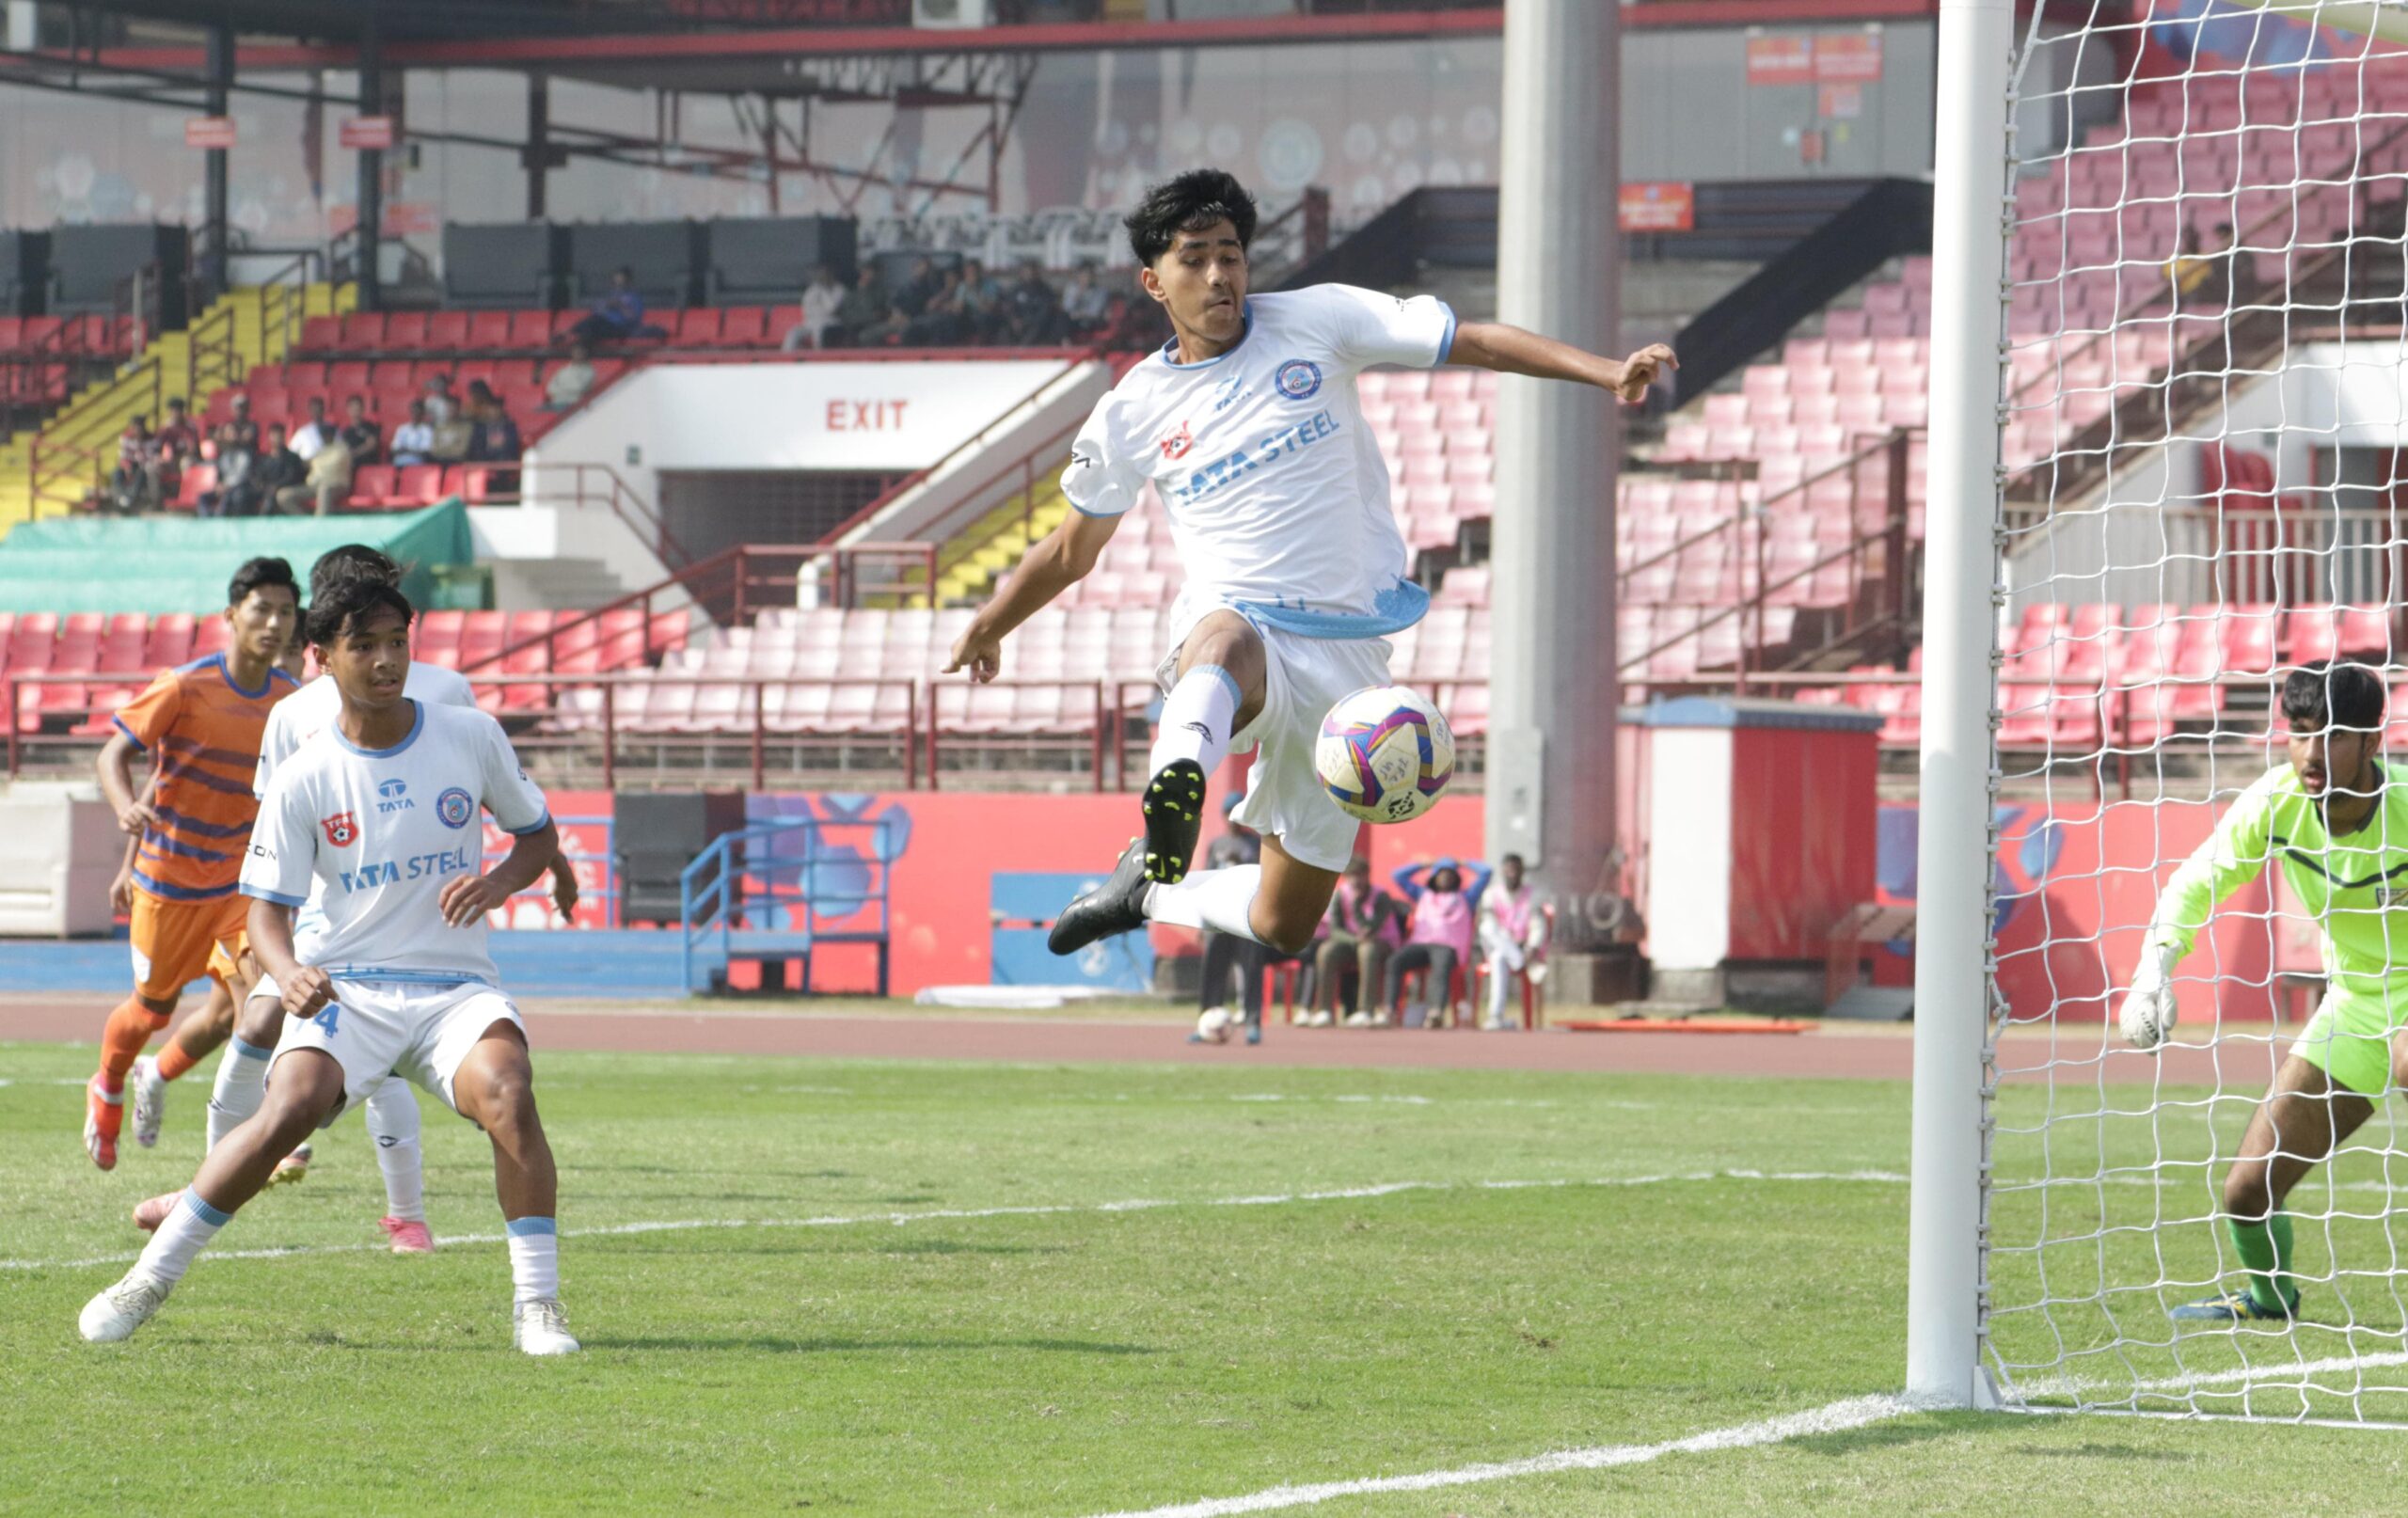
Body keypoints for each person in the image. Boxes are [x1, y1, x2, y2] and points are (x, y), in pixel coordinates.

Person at [947, 168, 1671, 972]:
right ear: (1154, 281)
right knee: (1223, 641)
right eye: (1195, 259)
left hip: (1347, 663)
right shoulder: (1132, 409)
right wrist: (992, 622)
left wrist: (1605, 371)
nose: (1219, 275)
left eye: (1231, 255)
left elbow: (1471, 340)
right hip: (1241, 620)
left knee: (1284, 922)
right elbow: (1071, 551)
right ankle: (1175, 787)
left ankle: (1143, 890)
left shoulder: (1319, 321)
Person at [79, 574, 578, 1355]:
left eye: (397, 642)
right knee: (286, 1111)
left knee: (510, 1093)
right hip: (350, 989)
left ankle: (538, 1307)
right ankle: (144, 1282)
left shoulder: (471, 735)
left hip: (454, 992)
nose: (386, 661)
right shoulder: (303, 774)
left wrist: (499, 883)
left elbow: (537, 834)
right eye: (364, 645)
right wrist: (287, 972)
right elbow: (266, 911)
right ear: (321, 657)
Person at [2119, 662, 2408, 1323]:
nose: (2312, 752)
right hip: (2355, 1002)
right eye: (2300, 732)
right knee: (2247, 1191)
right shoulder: (2275, 803)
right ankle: (2270, 1299)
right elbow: (2195, 883)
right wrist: (2154, 970)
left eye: (2333, 735)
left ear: (2372, 742)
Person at [81, 558, 301, 1171]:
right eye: (262, 609)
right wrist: (126, 813)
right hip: (171, 883)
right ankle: (110, 1083)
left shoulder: (290, 703)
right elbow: (115, 757)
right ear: (232, 615)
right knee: (151, 1012)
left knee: (264, 996)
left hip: (241, 883)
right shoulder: (183, 686)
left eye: (286, 612)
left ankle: (262, 1133)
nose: (274, 623)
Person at [123, 632, 311, 1150]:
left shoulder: (299, 712)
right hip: (203, 884)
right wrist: (127, 866)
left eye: (291, 654)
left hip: (247, 883)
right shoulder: (233, 705)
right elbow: (159, 794)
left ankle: (156, 1073)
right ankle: (270, 1130)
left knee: (225, 1016)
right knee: (258, 1000)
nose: (281, 662)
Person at [1193, 799, 1266, 1046]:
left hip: (1246, 916)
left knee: (1251, 969)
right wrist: (1202, 921)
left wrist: (1241, 863)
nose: (1232, 819)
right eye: (1228, 814)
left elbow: (1264, 877)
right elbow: (1206, 880)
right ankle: (1206, 1021)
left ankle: (1253, 1022)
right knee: (1213, 969)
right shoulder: (1217, 844)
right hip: (1219, 915)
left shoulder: (1256, 843)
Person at [1385, 859, 1492, 1027]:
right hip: (1421, 945)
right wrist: (1424, 865)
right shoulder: (1422, 894)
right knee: (1394, 961)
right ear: (1434, 877)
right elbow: (1398, 876)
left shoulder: (1467, 897)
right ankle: (1390, 1011)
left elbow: (1486, 873)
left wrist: (1463, 863)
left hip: (1448, 947)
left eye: (1449, 874)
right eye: (1441, 874)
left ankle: (1436, 1013)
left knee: (1441, 966)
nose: (1445, 878)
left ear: (1456, 878)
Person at [1314, 856, 1400, 1028]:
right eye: (1351, 876)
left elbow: (1371, 928)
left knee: (1367, 950)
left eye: (1360, 875)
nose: (1356, 880)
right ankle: (1324, 1010)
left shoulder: (1381, 896)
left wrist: (1356, 905)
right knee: (1326, 951)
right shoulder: (1340, 894)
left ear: (1367, 875)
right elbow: (1335, 930)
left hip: (1381, 943)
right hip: (1353, 942)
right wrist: (1354, 939)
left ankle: (1366, 1010)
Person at [1477, 852, 1548, 1031]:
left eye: (1516, 870)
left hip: (1523, 947)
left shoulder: (1532, 895)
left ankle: (1496, 1016)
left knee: (1498, 958)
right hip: (1500, 944)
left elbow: (1538, 925)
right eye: (1508, 870)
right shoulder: (1491, 894)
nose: (1512, 874)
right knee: (1486, 928)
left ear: (1522, 872)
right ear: (1503, 871)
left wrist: (1532, 947)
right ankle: (1518, 960)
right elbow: (1489, 926)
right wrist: (1509, 944)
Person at [569, 265, 660, 345]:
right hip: (602, 323)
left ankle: (574, 340)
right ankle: (570, 337)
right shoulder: (610, 295)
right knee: (591, 322)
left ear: (628, 280)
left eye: (621, 279)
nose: (618, 282)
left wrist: (620, 306)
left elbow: (634, 319)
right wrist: (606, 306)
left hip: (620, 328)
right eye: (616, 278)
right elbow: (596, 311)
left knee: (593, 326)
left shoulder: (634, 297)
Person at [279, 427, 352, 516]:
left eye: (327, 435)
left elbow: (331, 465)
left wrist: (315, 462)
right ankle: (305, 521)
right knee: (284, 495)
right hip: (314, 486)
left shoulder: (342, 449)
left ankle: (320, 522)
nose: (324, 437)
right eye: (322, 435)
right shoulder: (320, 450)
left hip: (336, 485)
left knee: (324, 490)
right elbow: (309, 464)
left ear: (332, 435)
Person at [782, 263, 848, 353]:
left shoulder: (839, 289)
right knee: (793, 332)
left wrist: (823, 290)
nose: (823, 277)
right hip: (811, 321)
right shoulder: (814, 288)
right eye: (821, 274)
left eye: (825, 274)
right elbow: (806, 307)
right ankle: (786, 358)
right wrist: (819, 291)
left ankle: (818, 356)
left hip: (832, 322)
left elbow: (831, 308)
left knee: (819, 330)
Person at [150, 397, 200, 506]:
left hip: (189, 458)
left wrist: (188, 451)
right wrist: (157, 457)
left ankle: (187, 499)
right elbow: (156, 446)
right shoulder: (167, 427)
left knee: (186, 462)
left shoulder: (190, 427)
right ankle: (156, 501)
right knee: (151, 467)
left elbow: (193, 449)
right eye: (173, 411)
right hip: (173, 460)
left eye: (178, 410)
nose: (175, 413)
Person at [248, 424, 304, 516]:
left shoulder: (292, 458)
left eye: (279, 436)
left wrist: (277, 485)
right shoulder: (263, 458)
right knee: (243, 495)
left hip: (282, 487)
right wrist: (261, 485)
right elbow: (256, 475)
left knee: (270, 496)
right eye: (273, 436)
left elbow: (291, 476)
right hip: (265, 488)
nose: (276, 439)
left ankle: (262, 520)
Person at [833, 264, 890, 348]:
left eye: (871, 272)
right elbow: (848, 316)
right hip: (857, 328)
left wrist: (882, 315)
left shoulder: (880, 291)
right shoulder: (851, 294)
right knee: (865, 336)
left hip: (878, 325)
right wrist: (872, 316)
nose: (870, 274)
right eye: (866, 272)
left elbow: (886, 310)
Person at [466, 382, 523, 465]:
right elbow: (477, 446)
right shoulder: (480, 427)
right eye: (491, 409)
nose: (494, 411)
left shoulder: (509, 426)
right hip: (484, 460)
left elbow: (511, 447)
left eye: (497, 409)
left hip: (503, 461)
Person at [110, 416, 154, 514]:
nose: (137, 430)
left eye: (139, 428)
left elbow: (150, 457)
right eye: (134, 428)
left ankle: (130, 498)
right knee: (117, 472)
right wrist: (127, 466)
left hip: (143, 467)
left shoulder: (151, 439)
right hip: (130, 465)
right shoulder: (126, 438)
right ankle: (120, 497)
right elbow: (123, 456)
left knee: (141, 474)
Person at [541, 341, 596, 411]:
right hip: (555, 403)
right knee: (535, 413)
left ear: (585, 353)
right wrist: (567, 389)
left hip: (573, 405)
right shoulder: (563, 369)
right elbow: (550, 388)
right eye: (575, 352)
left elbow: (578, 388)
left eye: (580, 352)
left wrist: (560, 388)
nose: (577, 354)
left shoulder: (589, 371)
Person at [1062, 263, 1108, 336]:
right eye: (1082, 275)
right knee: (1061, 319)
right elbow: (1066, 307)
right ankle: (1063, 340)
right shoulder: (1071, 288)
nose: (1085, 278)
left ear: (1093, 277)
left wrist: (1079, 314)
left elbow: (1095, 312)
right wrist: (1077, 296)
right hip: (1072, 319)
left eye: (1088, 276)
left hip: (1091, 321)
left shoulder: (1101, 291)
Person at [388, 398, 436, 466]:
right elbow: (394, 449)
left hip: (418, 463)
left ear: (422, 413)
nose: (415, 414)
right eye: (413, 411)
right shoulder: (402, 429)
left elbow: (425, 452)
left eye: (417, 412)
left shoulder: (427, 430)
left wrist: (406, 450)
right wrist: (413, 451)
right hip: (399, 461)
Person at [339, 394, 381, 466]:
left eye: (358, 408)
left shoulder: (370, 426)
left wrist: (354, 453)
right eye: (352, 408)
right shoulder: (346, 431)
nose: (355, 410)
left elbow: (371, 445)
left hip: (365, 460)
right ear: (348, 410)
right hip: (349, 461)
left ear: (362, 409)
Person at [289, 396, 332, 463]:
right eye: (314, 409)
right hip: (308, 465)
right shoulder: (302, 432)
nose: (316, 412)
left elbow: (340, 450)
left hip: (329, 465)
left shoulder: (332, 429)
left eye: (319, 409)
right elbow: (291, 452)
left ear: (323, 410)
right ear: (309, 411)